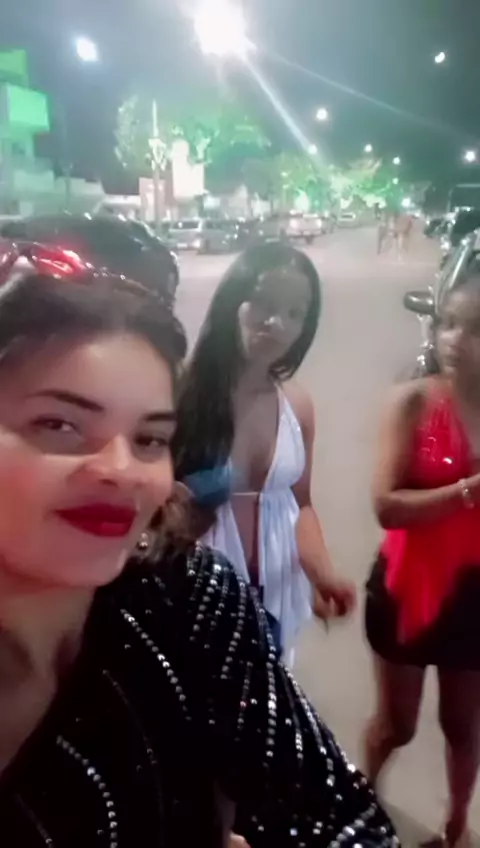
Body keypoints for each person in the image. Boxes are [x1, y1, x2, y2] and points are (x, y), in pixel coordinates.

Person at [0, 268, 397, 846]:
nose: (122, 469)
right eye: (59, 424)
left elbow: (337, 816)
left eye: (149, 439)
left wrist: (320, 572)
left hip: (270, 588)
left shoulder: (188, 598)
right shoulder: (198, 400)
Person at [174, 243, 355, 664]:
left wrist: (322, 574)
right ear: (233, 301)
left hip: (278, 601)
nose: (277, 323)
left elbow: (300, 503)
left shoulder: (297, 404)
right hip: (196, 599)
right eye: (263, 303)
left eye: (295, 312)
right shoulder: (178, 395)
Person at [364, 275, 480, 846]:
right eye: (448, 323)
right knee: (397, 726)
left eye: (475, 329)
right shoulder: (413, 400)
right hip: (407, 585)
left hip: (475, 592)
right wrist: (468, 492)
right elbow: (386, 506)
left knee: (463, 725)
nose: (454, 338)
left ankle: (456, 826)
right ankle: (360, 805)